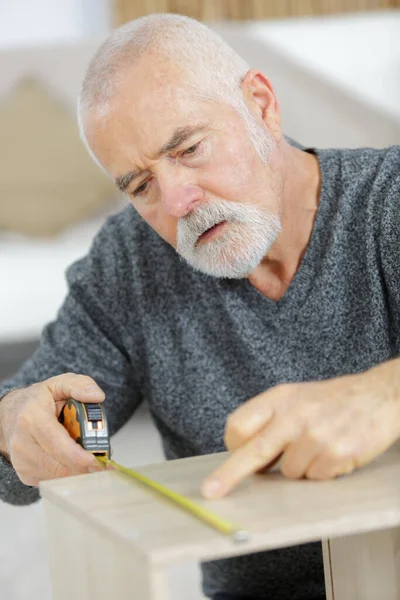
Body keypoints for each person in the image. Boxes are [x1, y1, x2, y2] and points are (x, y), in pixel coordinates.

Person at [0, 13, 399, 600]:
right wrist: (15, 423)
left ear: (261, 104)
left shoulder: (388, 202)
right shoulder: (129, 265)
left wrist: (384, 392)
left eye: (189, 148)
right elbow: (28, 427)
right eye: (140, 186)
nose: (178, 201)